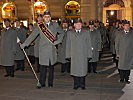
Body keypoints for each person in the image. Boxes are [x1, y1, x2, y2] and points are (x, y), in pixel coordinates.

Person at [20, 11, 64, 88]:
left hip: (51, 50)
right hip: (43, 51)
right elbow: (32, 36)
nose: (47, 18)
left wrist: (58, 41)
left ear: (50, 18)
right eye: (45, 17)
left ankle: (50, 83)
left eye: (48, 17)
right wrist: (24, 44)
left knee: (51, 69)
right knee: (42, 69)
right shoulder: (40, 26)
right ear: (43, 18)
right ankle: (42, 83)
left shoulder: (55, 25)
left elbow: (62, 33)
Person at [66, 18, 92, 90]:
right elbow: (68, 45)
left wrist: (89, 54)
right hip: (74, 55)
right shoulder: (70, 33)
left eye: (80, 24)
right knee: (75, 70)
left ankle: (82, 84)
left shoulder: (86, 32)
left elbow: (89, 44)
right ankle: (76, 84)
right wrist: (68, 55)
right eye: (77, 24)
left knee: (82, 71)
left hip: (83, 54)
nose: (79, 25)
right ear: (74, 25)